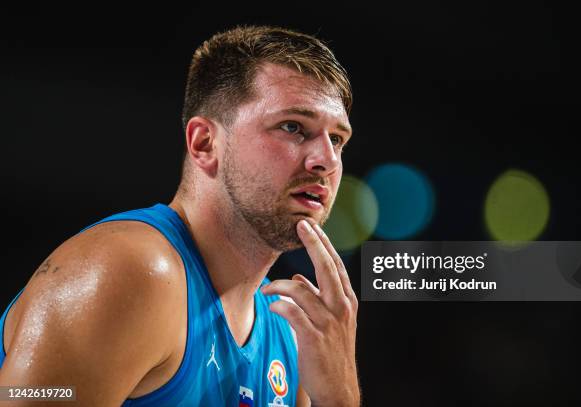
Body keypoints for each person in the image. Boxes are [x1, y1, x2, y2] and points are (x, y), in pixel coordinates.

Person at [0, 26, 359, 406]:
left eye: (337, 139)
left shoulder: (289, 334)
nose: (327, 161)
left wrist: (339, 395)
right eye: (293, 127)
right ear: (205, 143)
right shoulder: (131, 271)